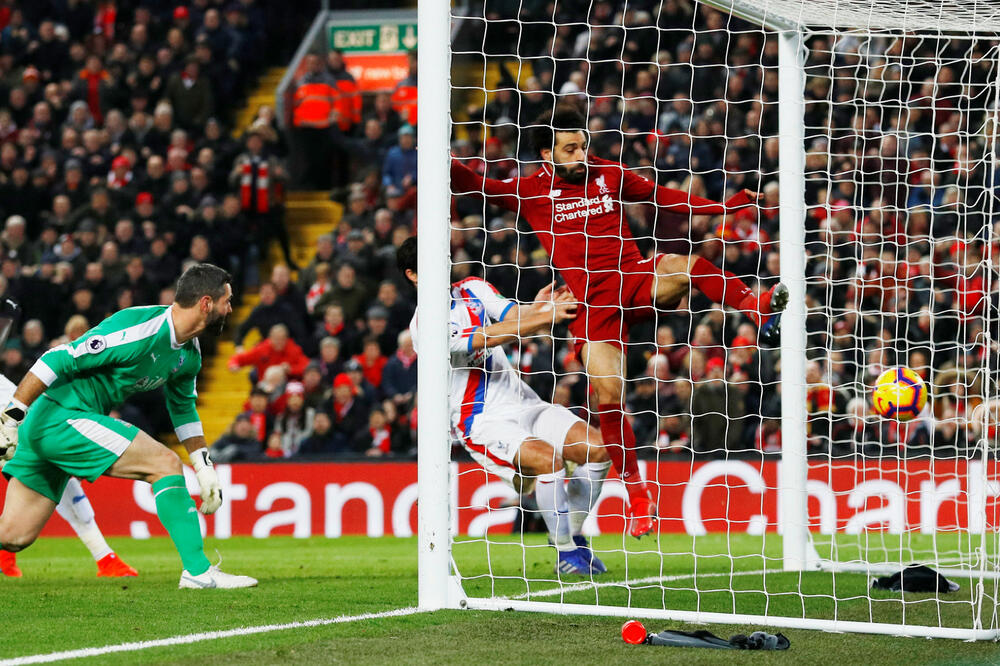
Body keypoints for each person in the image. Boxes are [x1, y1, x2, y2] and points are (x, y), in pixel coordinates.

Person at [450, 106, 788, 538]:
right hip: (591, 305)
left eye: (583, 145)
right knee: (608, 394)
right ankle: (638, 494)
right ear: (547, 154)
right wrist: (441, 155)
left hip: (632, 276)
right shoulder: (530, 191)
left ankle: (758, 308)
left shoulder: (607, 173)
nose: (581, 154)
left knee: (688, 266)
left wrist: (721, 206)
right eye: (570, 148)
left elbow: (663, 196)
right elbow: (475, 184)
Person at [0, 264, 257, 589]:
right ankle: (198, 571)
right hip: (60, 415)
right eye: (227, 301)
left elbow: (183, 408)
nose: (230, 308)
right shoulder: (140, 329)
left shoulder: (189, 354)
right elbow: (57, 358)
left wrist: (204, 466)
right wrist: (12, 417)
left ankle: (198, 572)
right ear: (206, 303)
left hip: (62, 422)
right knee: (164, 465)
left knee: (13, 536)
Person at [398, 237, 611, 575]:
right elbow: (488, 337)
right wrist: (544, 317)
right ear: (413, 274)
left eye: (444, 257)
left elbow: (513, 315)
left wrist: (537, 309)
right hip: (481, 420)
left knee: (599, 449)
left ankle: (568, 534)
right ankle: (568, 554)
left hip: (524, 402)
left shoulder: (473, 287)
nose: (444, 265)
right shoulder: (425, 325)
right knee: (549, 461)